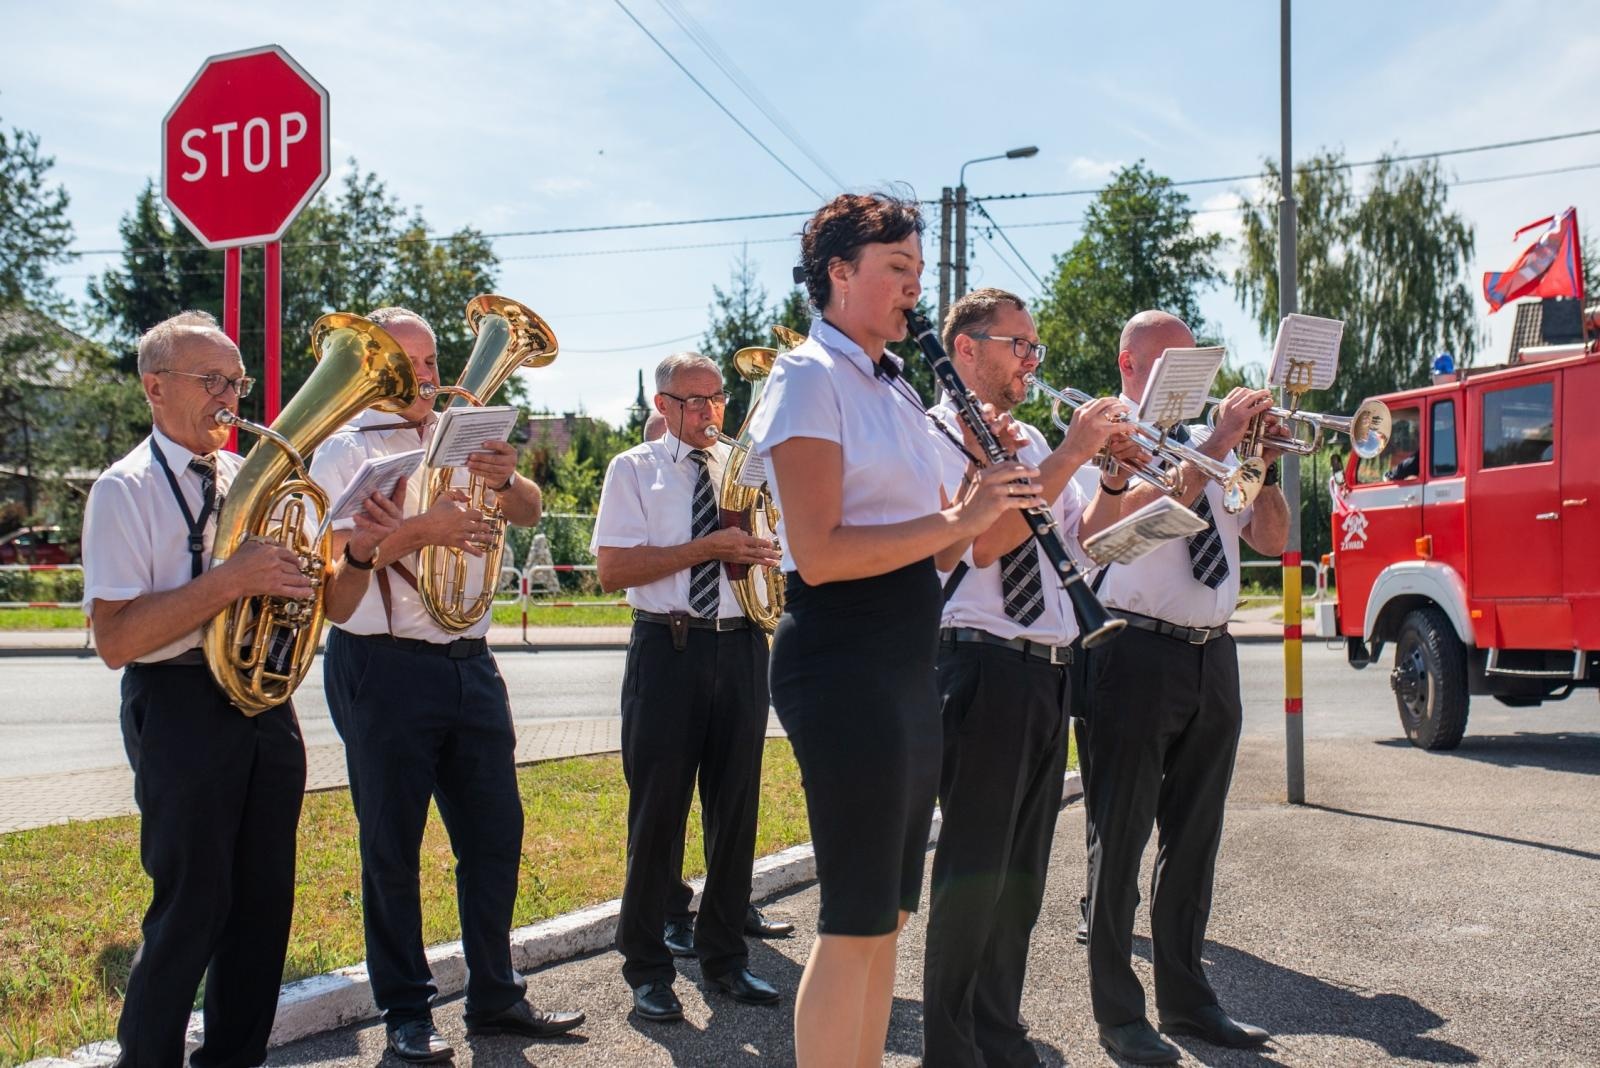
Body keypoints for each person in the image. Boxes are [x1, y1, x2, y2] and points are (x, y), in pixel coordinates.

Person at [747, 191, 1042, 1067]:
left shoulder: (899, 388)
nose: (915, 289)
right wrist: (957, 520)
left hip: (908, 660)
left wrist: (994, 497)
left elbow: (953, 552)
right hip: (842, 660)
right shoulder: (807, 375)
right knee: (855, 915)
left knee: (889, 916)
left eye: (917, 271)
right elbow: (822, 551)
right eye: (898, 271)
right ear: (839, 274)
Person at [81, 311, 365, 1067]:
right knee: (190, 909)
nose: (230, 397)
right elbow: (115, 641)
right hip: (177, 703)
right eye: (212, 381)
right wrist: (231, 580)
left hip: (266, 708)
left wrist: (352, 558)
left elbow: (331, 607)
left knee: (264, 910)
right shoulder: (124, 490)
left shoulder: (251, 476)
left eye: (236, 381)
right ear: (156, 389)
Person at [312, 307, 584, 1062]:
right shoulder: (340, 448)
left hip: (470, 659)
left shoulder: (457, 436)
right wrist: (419, 530)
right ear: (376, 370)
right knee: (392, 849)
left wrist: (508, 476)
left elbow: (525, 512)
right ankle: (405, 1009)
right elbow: (334, 559)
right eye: (411, 363)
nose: (429, 376)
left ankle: (496, 995)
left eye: (432, 360)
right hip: (383, 664)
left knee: (495, 837)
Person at [921, 289, 1131, 1067]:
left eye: (1035, 347)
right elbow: (983, 545)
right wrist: (1071, 453)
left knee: (1021, 875)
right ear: (967, 349)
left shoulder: (1035, 439)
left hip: (1048, 668)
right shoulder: (934, 434)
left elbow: (1086, 545)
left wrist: (1111, 478)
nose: (1032, 362)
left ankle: (996, 1028)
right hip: (980, 659)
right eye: (1021, 345)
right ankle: (949, 1044)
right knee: (975, 868)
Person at [1082, 310, 1289, 1065]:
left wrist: (1259, 462)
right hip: (1130, 650)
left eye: (1194, 364)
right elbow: (1124, 535)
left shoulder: (1214, 443)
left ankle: (1188, 998)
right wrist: (1217, 444)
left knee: (1195, 837)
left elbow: (1270, 537)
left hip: (1214, 653)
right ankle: (1117, 1011)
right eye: (1170, 363)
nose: (1189, 380)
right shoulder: (1103, 438)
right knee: (1121, 835)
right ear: (1129, 362)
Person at [591, 351, 785, 1022]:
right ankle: (647, 969)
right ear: (662, 405)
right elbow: (613, 569)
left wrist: (769, 551)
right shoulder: (633, 469)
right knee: (658, 818)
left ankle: (726, 960)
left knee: (735, 815)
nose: (708, 411)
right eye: (693, 400)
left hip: (740, 648)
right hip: (667, 645)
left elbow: (780, 539)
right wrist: (709, 548)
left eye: (716, 399)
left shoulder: (748, 463)